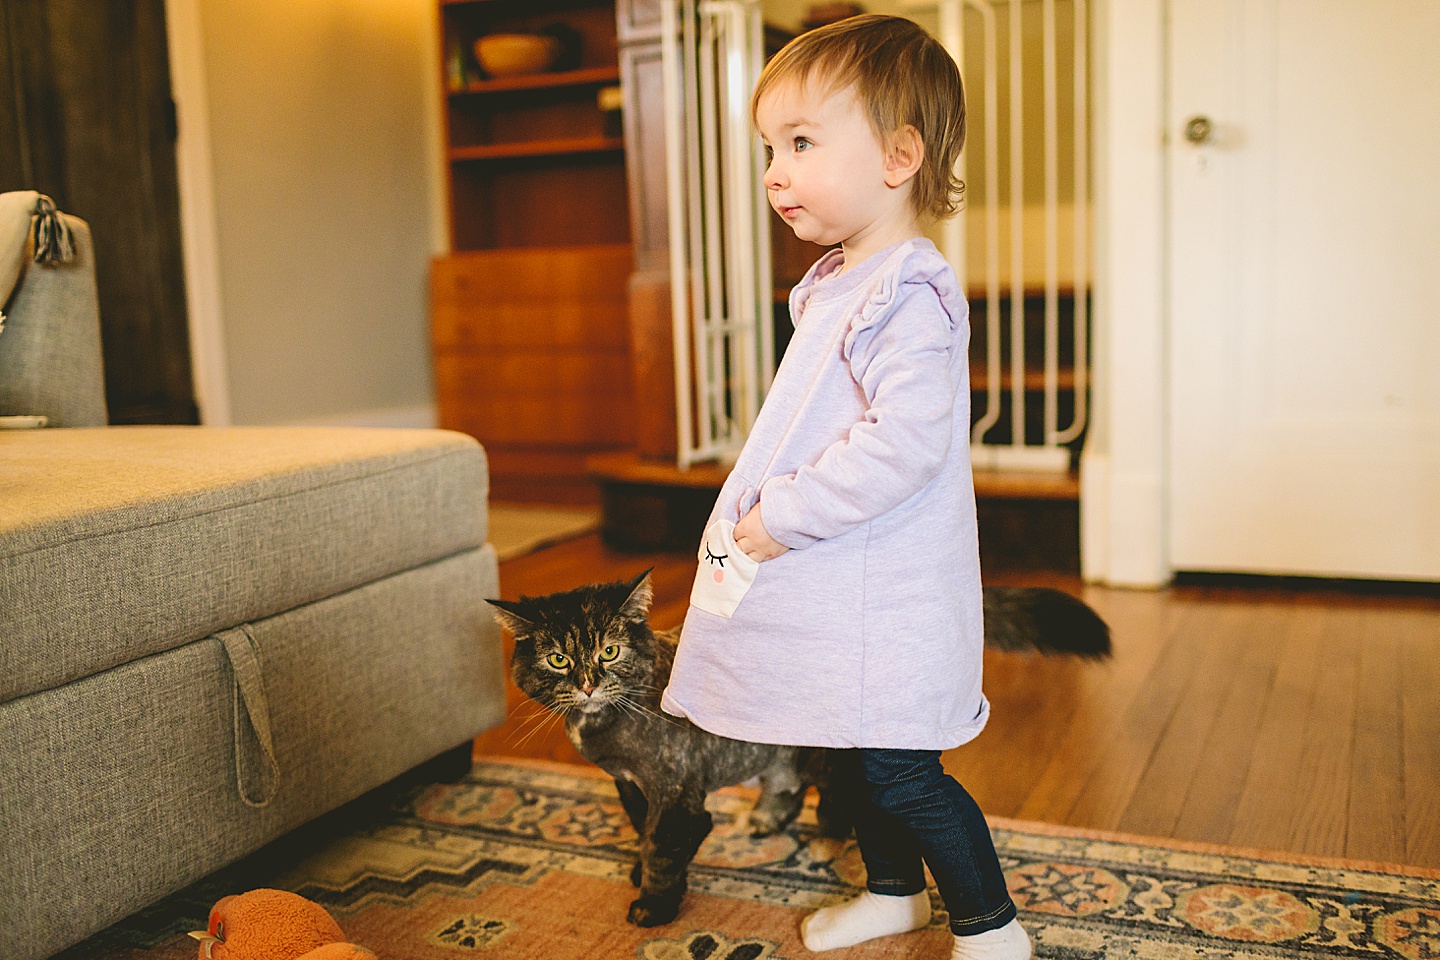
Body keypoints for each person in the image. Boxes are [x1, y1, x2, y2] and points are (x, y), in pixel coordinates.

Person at [659, 14, 1030, 960]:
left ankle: (993, 931)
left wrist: (781, 515)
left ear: (899, 156)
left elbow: (902, 444)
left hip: (889, 597)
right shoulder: (837, 282)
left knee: (903, 771)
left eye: (801, 143)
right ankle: (895, 895)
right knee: (855, 761)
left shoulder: (907, 293)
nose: (775, 171)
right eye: (770, 149)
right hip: (847, 588)